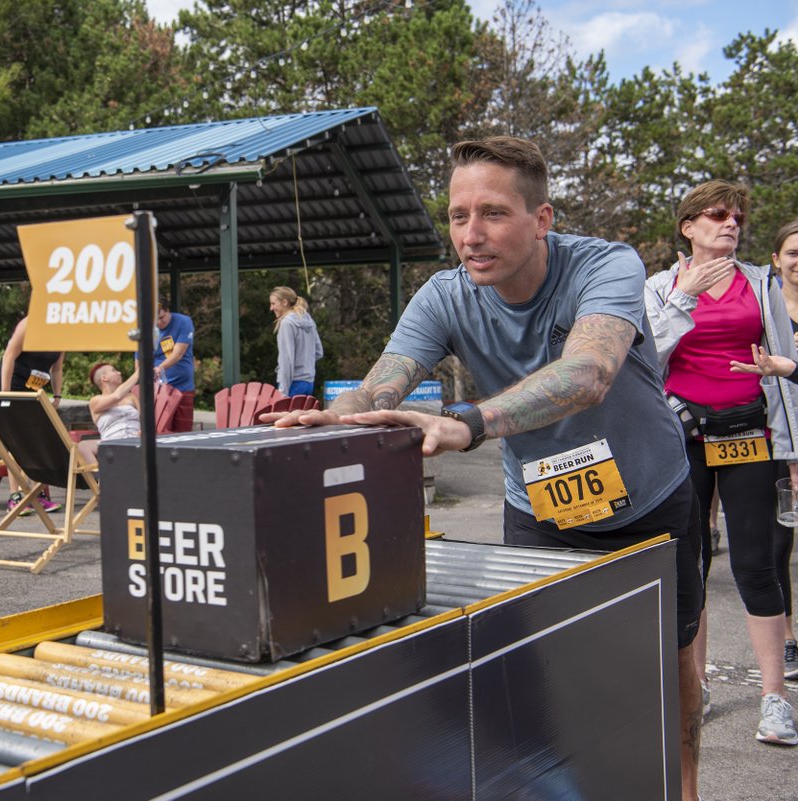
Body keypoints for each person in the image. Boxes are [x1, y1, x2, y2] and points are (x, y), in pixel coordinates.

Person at [267, 136, 705, 798]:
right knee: (539, 678)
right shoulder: (444, 295)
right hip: (540, 510)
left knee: (671, 673)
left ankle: (685, 788)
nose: (471, 234)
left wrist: (468, 421)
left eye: (494, 213)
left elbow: (588, 373)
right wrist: (342, 416)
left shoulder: (606, 264)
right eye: (457, 215)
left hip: (651, 499)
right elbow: (385, 382)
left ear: (543, 219)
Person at [646, 182, 798, 747]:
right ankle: (696, 685)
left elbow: (788, 367)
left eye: (737, 216)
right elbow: (644, 358)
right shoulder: (660, 286)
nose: (730, 223)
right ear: (688, 226)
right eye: (716, 214)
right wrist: (683, 296)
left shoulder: (762, 283)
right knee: (693, 563)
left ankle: (775, 698)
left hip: (747, 431)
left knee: (757, 565)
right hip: (682, 432)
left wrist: (792, 451)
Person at [720, 217, 798, 683]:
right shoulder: (764, 306)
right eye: (792, 253)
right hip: (776, 439)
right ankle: (787, 639)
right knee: (776, 545)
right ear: (776, 259)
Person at [0, 317, 64, 515]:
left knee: (38, 440)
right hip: (13, 384)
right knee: (17, 440)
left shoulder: (64, 331)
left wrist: (57, 396)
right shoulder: (28, 324)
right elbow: (9, 356)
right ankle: (16, 496)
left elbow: (57, 368)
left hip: (36, 390)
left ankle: (37, 494)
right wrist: (5, 395)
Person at [77, 362, 142, 465]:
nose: (119, 373)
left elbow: (146, 421)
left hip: (136, 441)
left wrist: (143, 431)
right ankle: (99, 477)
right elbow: (116, 397)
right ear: (104, 378)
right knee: (83, 446)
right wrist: (138, 373)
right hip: (111, 444)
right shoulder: (95, 401)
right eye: (114, 370)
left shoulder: (132, 397)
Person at [270, 286, 323, 397]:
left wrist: (283, 393)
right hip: (308, 383)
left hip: (292, 384)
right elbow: (319, 352)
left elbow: (287, 360)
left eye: (273, 303)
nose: (271, 308)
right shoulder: (308, 320)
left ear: (284, 302)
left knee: (281, 414)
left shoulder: (286, 323)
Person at [153, 297, 195, 432]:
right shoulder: (146, 328)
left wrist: (160, 368)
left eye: (162, 317)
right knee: (161, 430)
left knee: (183, 432)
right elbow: (139, 360)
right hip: (159, 390)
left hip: (183, 387)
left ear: (167, 310)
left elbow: (178, 354)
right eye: (155, 320)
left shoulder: (183, 322)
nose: (159, 322)